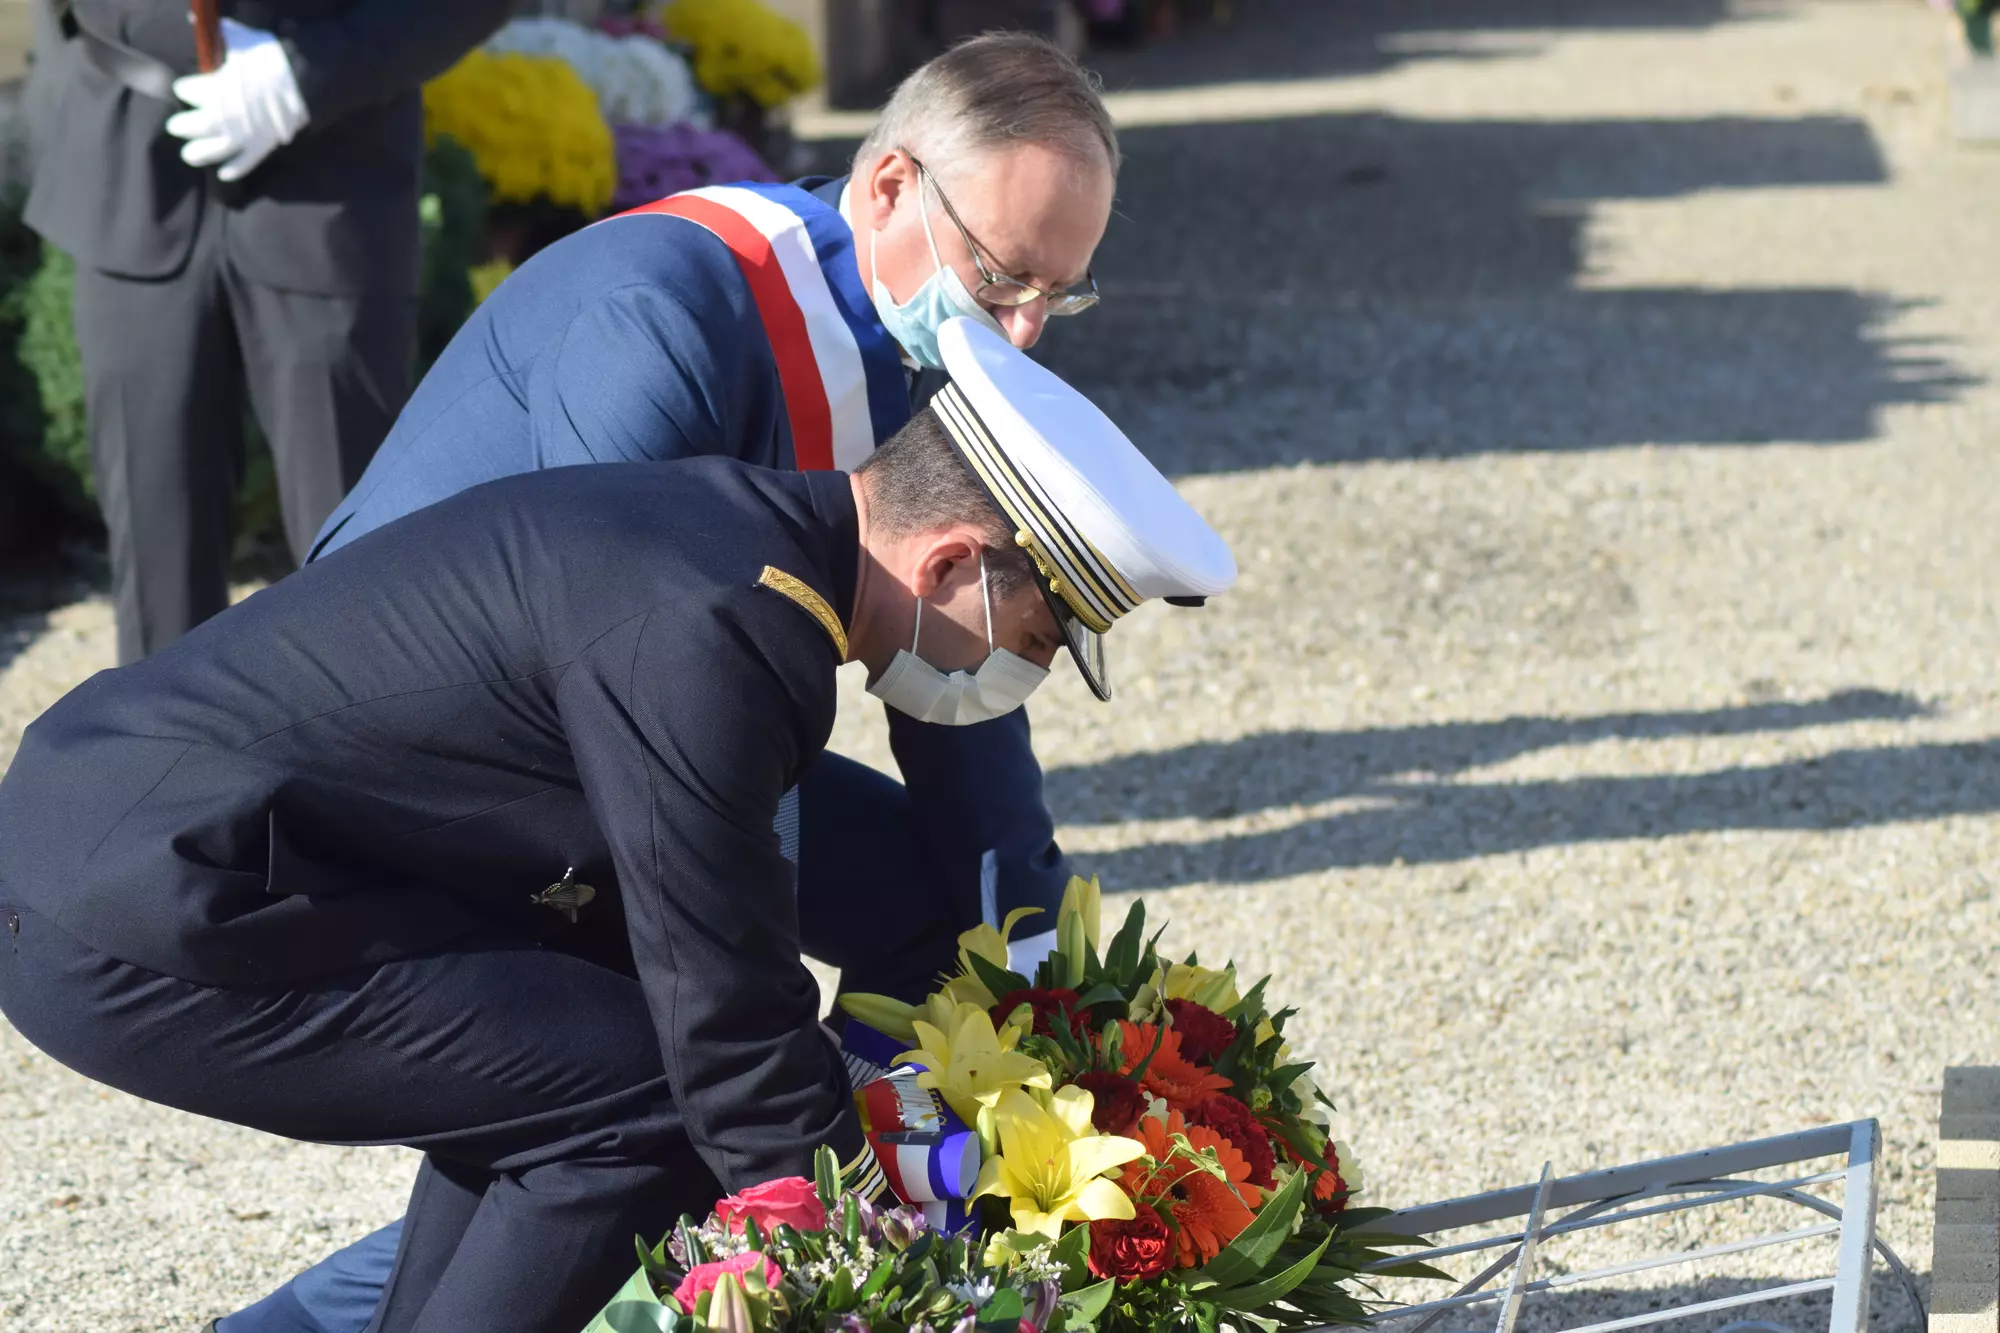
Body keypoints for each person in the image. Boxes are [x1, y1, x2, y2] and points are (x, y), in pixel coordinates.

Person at [0, 318, 1238, 1333]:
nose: (1010, 681)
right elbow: (721, 1004)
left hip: (171, 842)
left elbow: (683, 923)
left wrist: (871, 1134)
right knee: (646, 1102)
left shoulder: (743, 545)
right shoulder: (723, 623)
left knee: (590, 1062)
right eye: (1030, 640)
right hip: (154, 899)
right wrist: (866, 1223)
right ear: (949, 563)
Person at [210, 34, 1122, 1333]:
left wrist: (1034, 981)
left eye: (1060, 296)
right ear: (888, 189)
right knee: (660, 1066)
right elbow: (633, 690)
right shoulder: (662, 312)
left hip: (653, 724)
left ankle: (886, 1247)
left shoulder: (934, 337)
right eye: (1005, 276)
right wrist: (763, 1067)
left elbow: (958, 664)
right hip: (413, 765)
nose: (1024, 329)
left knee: (937, 917)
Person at [20, 0, 512, 665]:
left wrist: (301, 75)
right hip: (132, 167)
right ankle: (168, 758)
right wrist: (195, 44)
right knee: (155, 537)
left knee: (355, 550)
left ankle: (363, 760)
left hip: (335, 171)